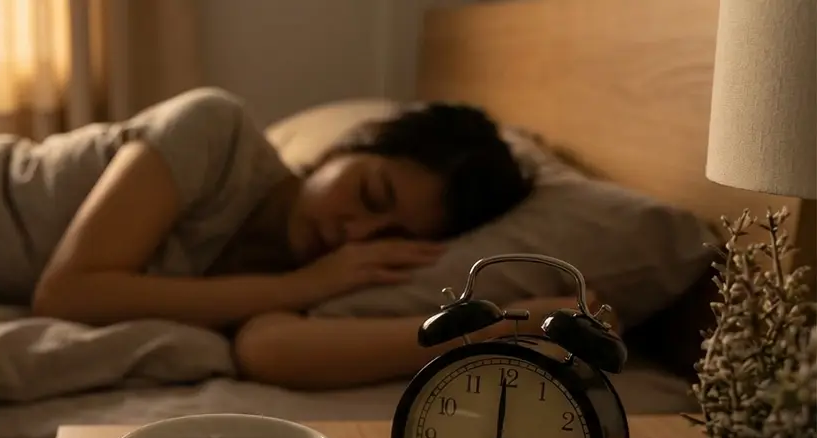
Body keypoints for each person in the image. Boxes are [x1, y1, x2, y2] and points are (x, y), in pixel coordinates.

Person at [30, 87, 586, 389]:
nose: (355, 234)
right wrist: (301, 285)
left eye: (387, 237)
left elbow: (267, 349)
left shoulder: (311, 279)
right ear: (342, 147)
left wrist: (511, 324)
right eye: (371, 195)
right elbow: (68, 293)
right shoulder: (215, 131)